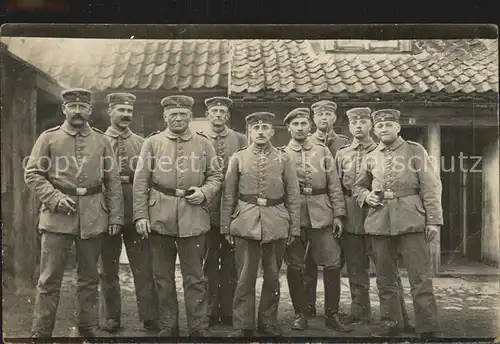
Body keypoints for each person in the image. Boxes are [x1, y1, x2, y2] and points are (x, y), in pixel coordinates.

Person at [25, 88, 124, 338]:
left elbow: (112, 181)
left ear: (90, 111)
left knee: (89, 279)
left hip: (93, 217)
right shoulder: (48, 138)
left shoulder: (101, 141)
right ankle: (41, 332)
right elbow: (33, 174)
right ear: (64, 109)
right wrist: (55, 198)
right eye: (72, 107)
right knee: (48, 280)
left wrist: (115, 217)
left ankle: (87, 328)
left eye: (83, 107)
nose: (78, 111)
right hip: (57, 217)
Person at [133, 95, 223, 337]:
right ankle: (168, 325)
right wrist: (141, 215)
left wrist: (204, 193)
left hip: (193, 216)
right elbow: (141, 180)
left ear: (190, 117)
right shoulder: (152, 143)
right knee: (162, 277)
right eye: (173, 114)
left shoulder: (204, 144)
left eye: (183, 114)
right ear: (165, 117)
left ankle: (198, 326)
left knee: (195, 277)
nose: (178, 118)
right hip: (159, 216)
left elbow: (216, 176)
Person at [353, 109, 442, 338]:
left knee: (419, 276)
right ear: (375, 130)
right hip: (381, 220)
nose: (384, 129)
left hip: (411, 219)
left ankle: (428, 326)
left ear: (398, 127)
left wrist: (433, 221)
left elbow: (430, 186)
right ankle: (392, 324)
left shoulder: (415, 150)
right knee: (385, 277)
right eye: (380, 126)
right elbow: (359, 186)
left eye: (389, 125)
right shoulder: (371, 155)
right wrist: (366, 196)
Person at [220, 112, 301, 337]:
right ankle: (243, 324)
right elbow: (229, 194)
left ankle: (268, 322)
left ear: (273, 132)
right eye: (256, 128)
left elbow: (293, 194)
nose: (261, 132)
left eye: (266, 127)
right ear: (249, 132)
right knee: (245, 276)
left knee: (273, 277)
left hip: (276, 221)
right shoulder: (238, 158)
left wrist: (293, 227)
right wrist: (225, 226)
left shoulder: (284, 159)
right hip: (245, 221)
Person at [335, 107, 414, 332]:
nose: (358, 126)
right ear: (349, 127)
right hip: (353, 215)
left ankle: (397, 316)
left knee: (386, 269)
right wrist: (340, 215)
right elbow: (338, 187)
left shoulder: (382, 149)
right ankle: (360, 312)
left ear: (371, 125)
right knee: (356, 266)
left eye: (362, 122)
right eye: (354, 123)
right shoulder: (342, 153)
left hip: (380, 214)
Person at [283, 108, 354, 332]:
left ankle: (332, 315)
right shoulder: (282, 154)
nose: (301, 127)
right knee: (295, 266)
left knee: (332, 264)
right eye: (296, 124)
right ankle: (300, 313)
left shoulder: (323, 152)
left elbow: (334, 185)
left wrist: (338, 215)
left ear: (310, 126)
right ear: (289, 128)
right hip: (294, 216)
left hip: (322, 213)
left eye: (304, 123)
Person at [99, 92, 159, 333]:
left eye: (128, 111)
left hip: (136, 212)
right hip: (107, 212)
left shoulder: (142, 143)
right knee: (108, 268)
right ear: (110, 111)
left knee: (143, 266)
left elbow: (149, 178)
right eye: (120, 110)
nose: (125, 115)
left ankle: (150, 316)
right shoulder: (98, 141)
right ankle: (111, 317)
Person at [200, 96, 247, 328]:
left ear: (227, 116)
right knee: (208, 263)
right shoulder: (198, 140)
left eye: (222, 112)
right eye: (214, 111)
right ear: (208, 115)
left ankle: (228, 311)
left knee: (230, 264)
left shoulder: (240, 139)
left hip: (233, 210)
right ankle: (209, 311)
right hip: (206, 210)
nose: (218, 115)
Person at [306, 100, 351, 318]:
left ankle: (333, 309)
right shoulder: (306, 143)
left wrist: (339, 212)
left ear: (335, 118)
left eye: (328, 115)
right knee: (308, 261)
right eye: (320, 115)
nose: (324, 118)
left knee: (335, 259)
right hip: (312, 208)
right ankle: (308, 306)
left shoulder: (344, 143)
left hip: (339, 206)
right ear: (314, 119)